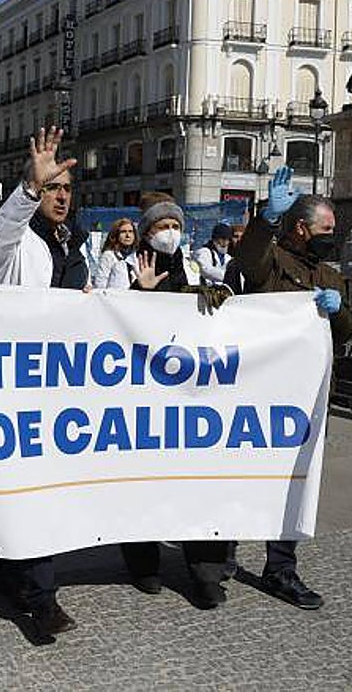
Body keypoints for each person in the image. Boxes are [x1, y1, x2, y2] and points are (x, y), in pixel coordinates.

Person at [0, 127, 83, 639]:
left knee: (35, 493)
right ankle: (42, 600)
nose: (60, 197)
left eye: (66, 189)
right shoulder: (16, 242)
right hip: (14, 386)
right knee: (32, 493)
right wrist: (28, 187)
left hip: (60, 387)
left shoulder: (75, 245)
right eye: (52, 188)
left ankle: (10, 575)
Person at [232, 165, 352, 611]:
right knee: (244, 476)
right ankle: (220, 550)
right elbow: (249, 263)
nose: (331, 237)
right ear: (301, 228)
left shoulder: (331, 276)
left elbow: (346, 332)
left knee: (294, 483)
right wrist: (266, 219)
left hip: (308, 399)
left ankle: (281, 567)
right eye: (326, 230)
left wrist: (339, 312)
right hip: (262, 393)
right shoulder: (273, 262)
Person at [118, 199, 232, 610]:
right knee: (143, 483)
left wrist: (219, 299)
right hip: (145, 393)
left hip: (189, 393)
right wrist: (140, 293)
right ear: (147, 233)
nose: (169, 231)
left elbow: (211, 315)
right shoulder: (129, 266)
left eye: (174, 224)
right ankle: (143, 563)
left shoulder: (193, 268)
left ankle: (206, 573)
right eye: (161, 225)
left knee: (198, 483)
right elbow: (113, 323)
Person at [93, 217, 137, 289]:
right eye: (123, 232)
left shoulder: (135, 256)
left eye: (130, 231)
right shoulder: (108, 256)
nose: (128, 235)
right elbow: (100, 284)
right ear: (116, 235)